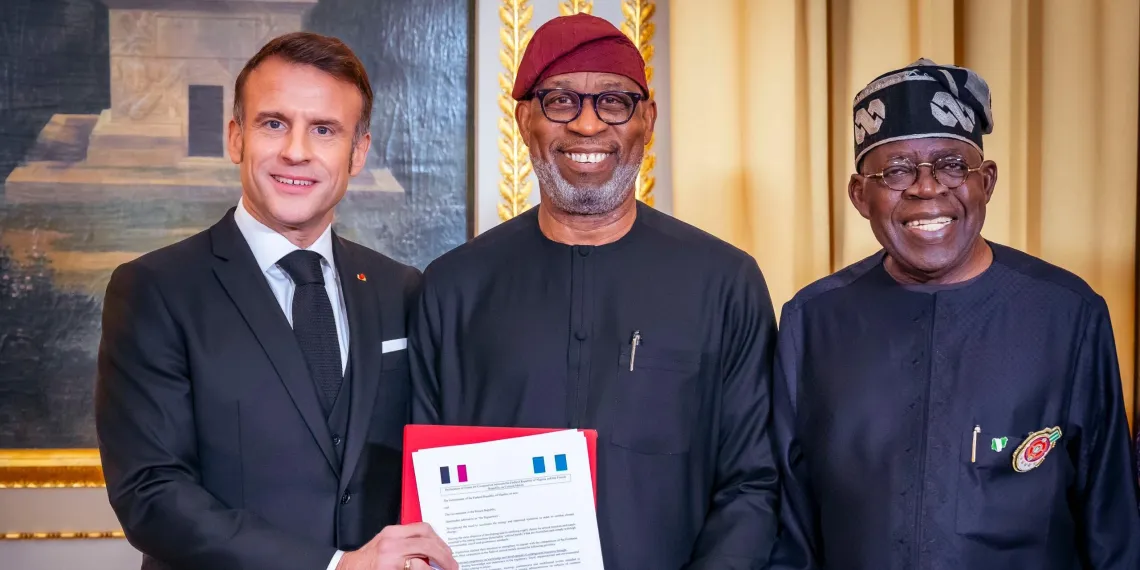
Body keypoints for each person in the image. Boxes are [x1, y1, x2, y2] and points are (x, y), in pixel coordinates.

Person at [408, 12, 779, 570]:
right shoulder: (453, 288)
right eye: (560, 101)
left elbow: (752, 485)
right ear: (525, 119)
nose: (587, 125)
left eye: (613, 101)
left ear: (647, 119)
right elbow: (424, 481)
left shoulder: (725, 282)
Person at [94, 32, 457, 570]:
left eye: (324, 130)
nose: (296, 151)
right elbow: (151, 493)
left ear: (358, 152)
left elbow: (436, 452)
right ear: (236, 137)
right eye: (274, 124)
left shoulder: (401, 289)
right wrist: (334, 566)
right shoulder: (155, 290)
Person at [769, 58, 1140, 569]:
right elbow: (790, 525)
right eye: (896, 170)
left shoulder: (1068, 314)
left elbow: (1112, 521)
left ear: (986, 181)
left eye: (951, 165)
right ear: (860, 195)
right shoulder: (813, 321)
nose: (927, 188)